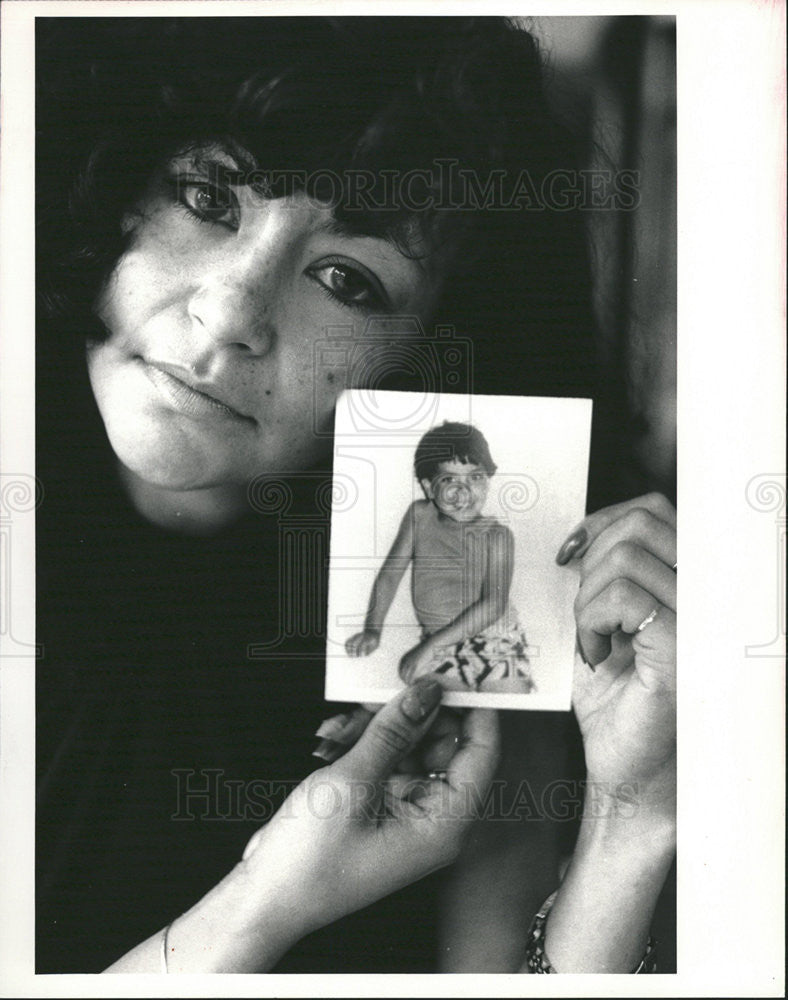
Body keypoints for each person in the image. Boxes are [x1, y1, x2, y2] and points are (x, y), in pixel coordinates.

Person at [34, 15, 676, 973]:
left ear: (423, 358)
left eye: (346, 279)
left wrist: (635, 820)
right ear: (108, 175)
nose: (233, 314)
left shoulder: (480, 653)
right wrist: (264, 905)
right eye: (209, 196)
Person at [345, 421, 534, 693]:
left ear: (488, 480)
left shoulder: (498, 535)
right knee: (432, 700)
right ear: (429, 487)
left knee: (509, 703)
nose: (464, 491)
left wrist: (428, 648)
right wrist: (372, 629)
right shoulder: (419, 517)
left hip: (496, 637)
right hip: (437, 642)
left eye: (475, 477)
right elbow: (390, 575)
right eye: (449, 480)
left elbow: (494, 604)